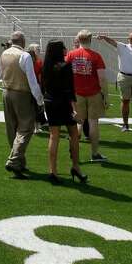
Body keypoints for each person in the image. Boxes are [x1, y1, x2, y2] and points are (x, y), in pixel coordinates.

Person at [40, 40, 88, 184]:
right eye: (63, 48)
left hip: (50, 101)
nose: (66, 49)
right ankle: (76, 166)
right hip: (63, 103)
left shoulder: (45, 66)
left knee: (53, 136)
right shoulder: (65, 66)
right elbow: (69, 90)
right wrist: (75, 109)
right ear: (58, 50)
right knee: (73, 134)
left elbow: (43, 86)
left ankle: (52, 171)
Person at [0, 30, 44, 176]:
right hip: (21, 93)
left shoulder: (4, 54)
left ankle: (19, 162)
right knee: (26, 127)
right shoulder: (24, 55)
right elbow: (32, 80)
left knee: (11, 127)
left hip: (6, 92)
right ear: (23, 42)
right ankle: (14, 159)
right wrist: (39, 99)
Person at [67, 30, 108, 162]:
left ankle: (74, 153)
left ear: (78, 39)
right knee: (93, 123)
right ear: (90, 40)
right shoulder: (96, 56)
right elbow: (102, 79)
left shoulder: (70, 55)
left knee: (77, 122)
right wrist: (105, 96)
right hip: (93, 93)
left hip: (76, 93)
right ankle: (94, 153)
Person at [99, 32, 132, 132]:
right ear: (128, 39)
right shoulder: (123, 47)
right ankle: (125, 124)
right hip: (124, 77)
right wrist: (104, 37)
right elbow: (112, 42)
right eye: (131, 38)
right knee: (125, 101)